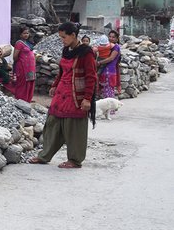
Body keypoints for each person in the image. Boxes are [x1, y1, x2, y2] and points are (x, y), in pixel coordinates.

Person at [28, 22, 97, 169]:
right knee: (53, 123)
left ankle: (74, 159)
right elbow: (62, 71)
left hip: (76, 96)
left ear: (73, 35)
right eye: (60, 37)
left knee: (74, 127)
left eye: (64, 37)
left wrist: (87, 98)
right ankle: (44, 155)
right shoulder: (66, 50)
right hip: (61, 93)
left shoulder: (86, 53)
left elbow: (91, 77)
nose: (62, 40)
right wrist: (54, 85)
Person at [10, 26, 36, 102]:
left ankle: (28, 100)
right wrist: (22, 63)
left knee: (30, 83)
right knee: (23, 84)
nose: (26, 35)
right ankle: (20, 100)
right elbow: (15, 56)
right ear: (20, 34)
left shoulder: (29, 43)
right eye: (24, 33)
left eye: (27, 33)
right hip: (23, 68)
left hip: (31, 68)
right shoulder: (19, 43)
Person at [97, 30, 122, 100]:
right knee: (104, 94)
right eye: (110, 36)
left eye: (113, 37)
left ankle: (111, 110)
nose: (111, 38)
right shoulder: (106, 46)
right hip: (104, 72)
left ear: (117, 39)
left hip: (109, 72)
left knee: (109, 94)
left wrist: (99, 63)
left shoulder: (116, 47)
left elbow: (111, 58)